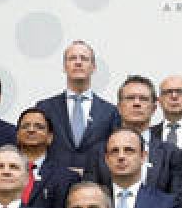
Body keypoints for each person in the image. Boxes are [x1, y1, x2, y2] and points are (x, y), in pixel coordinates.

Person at [34, 41, 120, 181]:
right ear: (64, 67)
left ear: (93, 67)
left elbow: (113, 151)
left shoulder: (110, 112)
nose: (78, 63)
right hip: (52, 184)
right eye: (72, 58)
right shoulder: (45, 108)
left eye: (84, 59)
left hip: (95, 184)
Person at [114, 75, 182, 194]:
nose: (136, 103)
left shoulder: (171, 154)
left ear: (154, 108)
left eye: (143, 99)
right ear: (119, 107)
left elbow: (177, 200)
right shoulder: (99, 152)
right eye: (130, 98)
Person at [16, 107, 80, 208]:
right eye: (25, 126)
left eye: (39, 127)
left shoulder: (67, 178)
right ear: (17, 135)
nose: (31, 130)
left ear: (50, 137)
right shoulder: (1, 171)